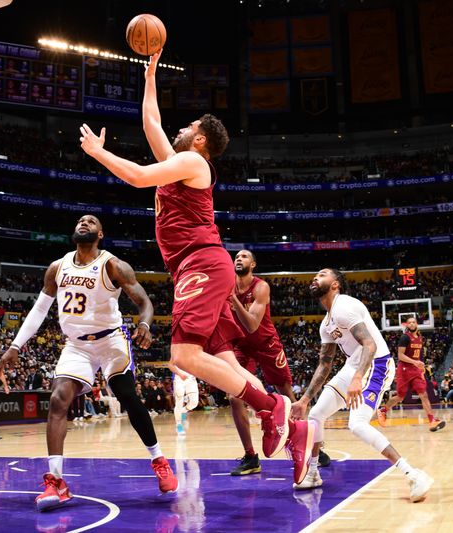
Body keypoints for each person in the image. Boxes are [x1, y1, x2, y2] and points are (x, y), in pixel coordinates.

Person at [79, 50, 314, 486]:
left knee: (183, 356)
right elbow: (151, 123)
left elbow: (133, 176)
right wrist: (149, 76)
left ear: (202, 140)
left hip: (201, 264)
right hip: (197, 269)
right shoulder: (179, 166)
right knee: (224, 359)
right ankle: (300, 433)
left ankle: (271, 408)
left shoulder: (193, 163)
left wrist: (98, 152)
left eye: (188, 128)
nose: (180, 129)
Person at [0, 215, 177, 512]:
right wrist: (16, 345)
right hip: (76, 345)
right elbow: (39, 310)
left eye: (91, 221)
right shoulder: (58, 267)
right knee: (58, 399)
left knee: (126, 393)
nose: (84, 222)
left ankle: (158, 459)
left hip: (110, 340)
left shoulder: (112, 265)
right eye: (81, 220)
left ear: (100, 234)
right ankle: (56, 481)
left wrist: (145, 326)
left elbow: (145, 303)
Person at [290, 268, 433, 501]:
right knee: (316, 414)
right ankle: (313, 473)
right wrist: (305, 399)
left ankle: (414, 475)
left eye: (322, 274)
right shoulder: (326, 323)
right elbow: (325, 364)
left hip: (376, 364)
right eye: (314, 274)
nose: (315, 277)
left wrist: (357, 378)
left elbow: (369, 345)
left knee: (356, 424)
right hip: (353, 366)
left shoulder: (344, 306)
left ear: (335, 284)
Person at [228, 249, 329, 475]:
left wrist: (232, 300)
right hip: (241, 346)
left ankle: (312, 445)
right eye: (236, 257)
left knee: (289, 397)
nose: (238, 259)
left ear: (252, 264)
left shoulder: (260, 287)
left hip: (266, 344)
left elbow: (252, 324)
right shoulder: (227, 285)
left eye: (244, 257)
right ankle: (251, 457)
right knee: (234, 398)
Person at [377, 317, 445, 432]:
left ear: (417, 324)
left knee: (423, 394)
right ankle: (383, 410)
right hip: (404, 370)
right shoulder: (405, 337)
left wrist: (422, 367)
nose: (412, 324)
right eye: (410, 323)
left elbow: (419, 356)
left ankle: (432, 420)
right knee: (400, 397)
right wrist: (415, 362)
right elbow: (400, 355)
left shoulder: (419, 338)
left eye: (414, 322)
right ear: (407, 325)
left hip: (416, 370)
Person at [173, 368, 199, 436]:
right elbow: (170, 365)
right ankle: (178, 425)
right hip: (179, 378)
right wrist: (179, 373)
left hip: (191, 378)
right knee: (179, 403)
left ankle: (183, 411)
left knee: (194, 403)